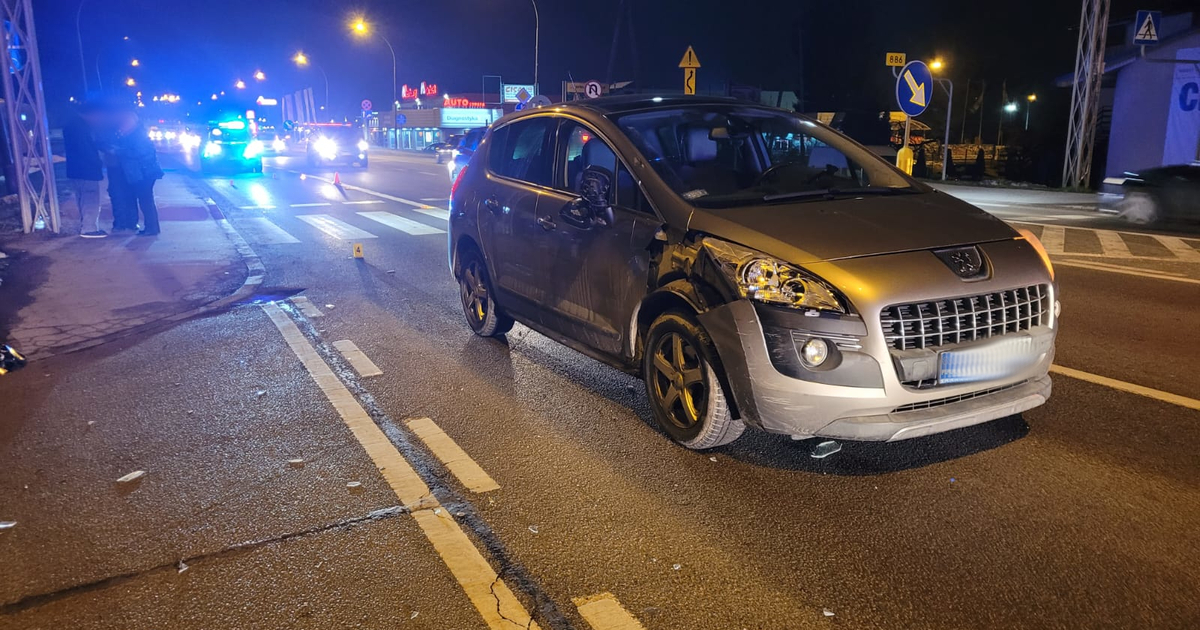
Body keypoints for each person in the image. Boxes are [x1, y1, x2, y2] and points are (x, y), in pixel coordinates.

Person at [114, 112, 163, 236]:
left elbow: (138, 152)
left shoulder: (137, 135)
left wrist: (118, 151)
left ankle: (151, 228)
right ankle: (151, 227)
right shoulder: (136, 134)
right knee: (146, 200)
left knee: (146, 200)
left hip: (143, 173)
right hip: (142, 172)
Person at [63, 102, 105, 238]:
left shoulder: (71, 125)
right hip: (87, 170)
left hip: (75, 170)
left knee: (82, 198)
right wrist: (98, 163)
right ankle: (89, 228)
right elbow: (87, 150)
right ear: (91, 113)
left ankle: (85, 226)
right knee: (90, 199)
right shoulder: (82, 127)